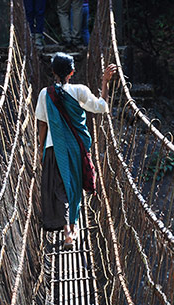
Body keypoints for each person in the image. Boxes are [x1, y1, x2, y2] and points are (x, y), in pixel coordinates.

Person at [35, 53, 117, 248]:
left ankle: (67, 233)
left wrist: (40, 151)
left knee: (60, 188)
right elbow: (101, 107)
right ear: (72, 72)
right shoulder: (80, 91)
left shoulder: (45, 94)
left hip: (54, 149)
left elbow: (42, 125)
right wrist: (105, 82)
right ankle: (71, 230)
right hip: (76, 148)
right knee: (73, 188)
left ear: (53, 72)